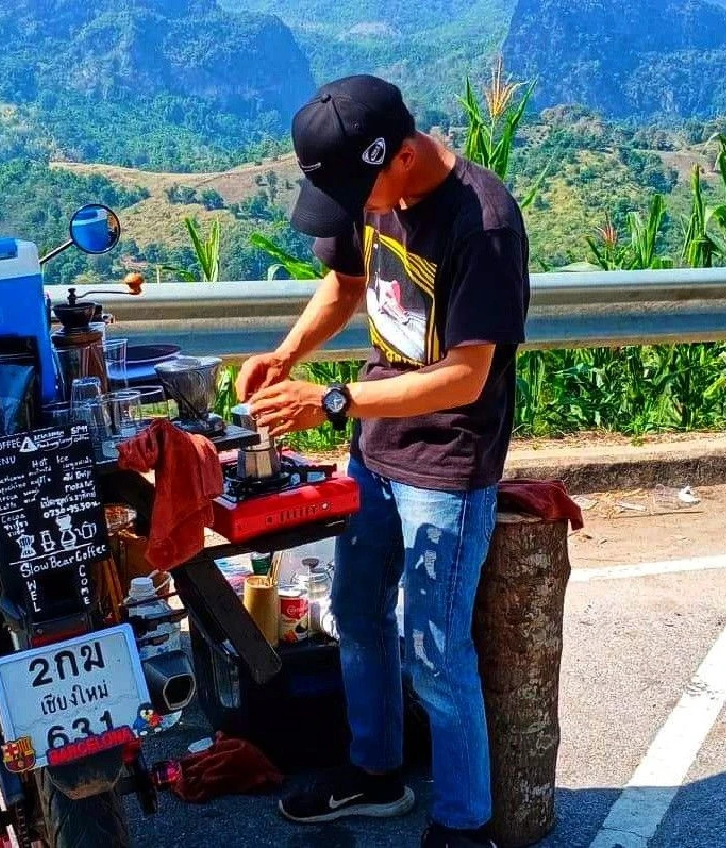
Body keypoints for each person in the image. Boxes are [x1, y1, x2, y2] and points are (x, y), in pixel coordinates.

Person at [239, 75, 531, 848]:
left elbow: (468, 375)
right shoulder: (370, 195)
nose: (351, 214)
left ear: (402, 156)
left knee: (435, 648)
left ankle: (465, 824)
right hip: (375, 449)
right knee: (358, 616)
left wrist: (332, 402)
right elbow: (345, 284)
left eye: (356, 194)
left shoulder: (483, 223)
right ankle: (376, 773)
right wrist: (285, 355)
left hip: (448, 462)